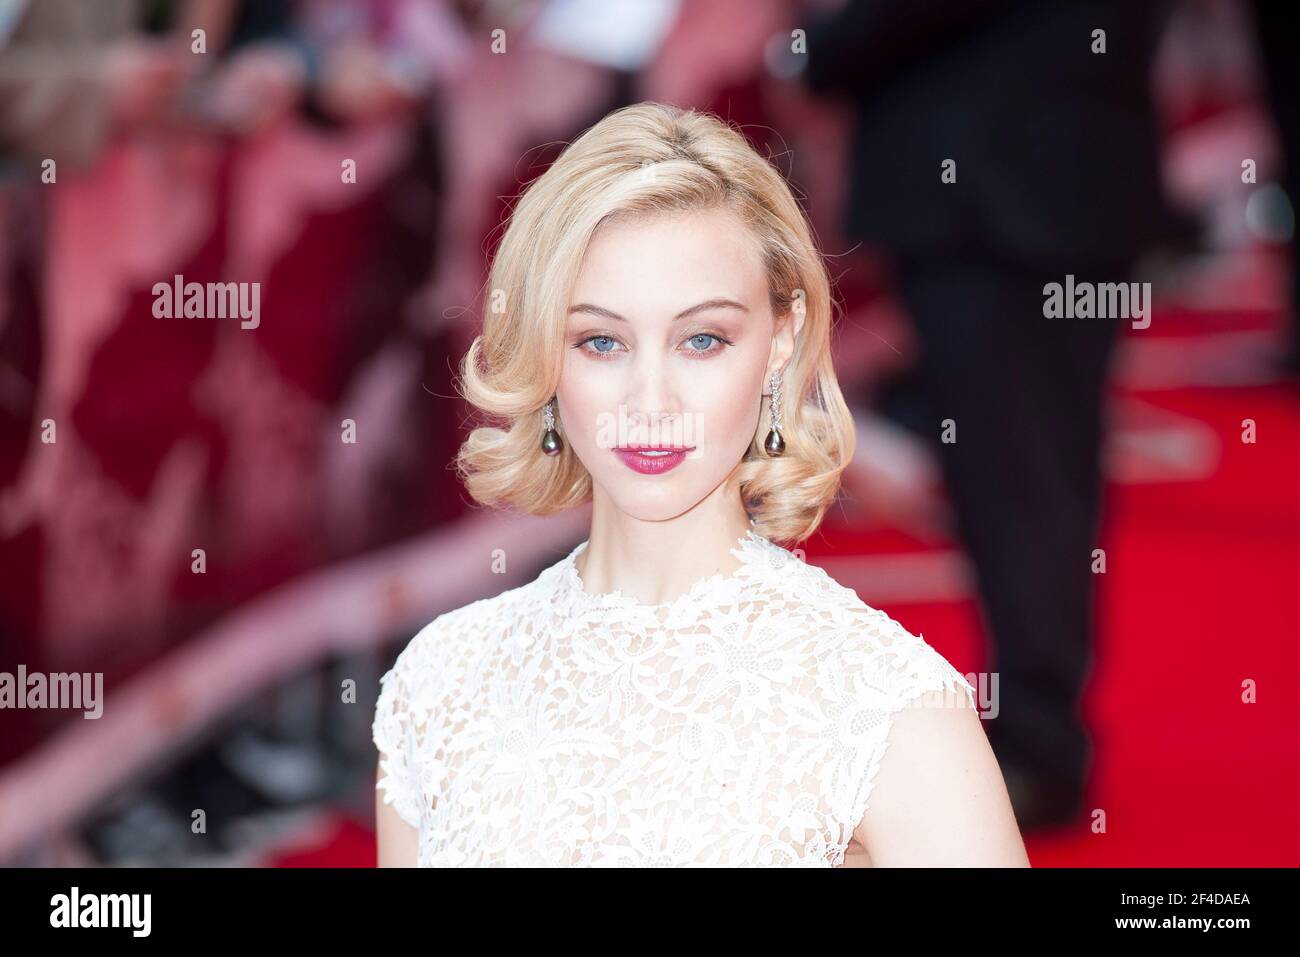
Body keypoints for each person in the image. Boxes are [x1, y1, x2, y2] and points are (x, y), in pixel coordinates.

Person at [372, 102, 1027, 867]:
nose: (651, 403)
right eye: (602, 341)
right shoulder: (441, 683)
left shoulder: (889, 710)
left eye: (703, 339)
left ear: (781, 341)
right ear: (546, 354)